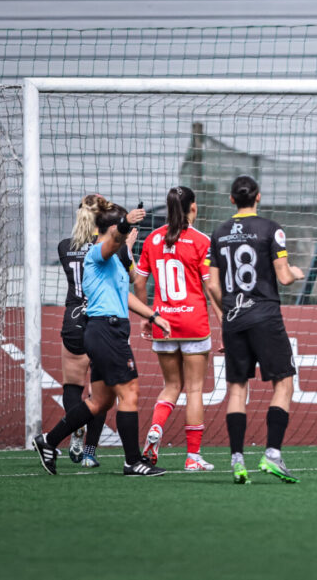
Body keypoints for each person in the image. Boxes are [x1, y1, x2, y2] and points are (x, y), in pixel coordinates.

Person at [33, 196, 171, 476]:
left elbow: (126, 296)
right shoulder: (97, 253)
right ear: (110, 230)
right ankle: (132, 461)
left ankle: (48, 440)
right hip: (105, 330)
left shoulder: (116, 261)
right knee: (129, 392)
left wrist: (153, 315)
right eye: (118, 230)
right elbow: (113, 241)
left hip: (110, 331)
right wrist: (126, 223)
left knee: (100, 401)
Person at [206, 175, 304, 483]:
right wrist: (297, 273)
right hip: (264, 316)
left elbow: (211, 284)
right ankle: (272, 454)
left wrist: (228, 315)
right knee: (284, 383)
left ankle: (237, 461)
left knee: (237, 389)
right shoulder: (270, 229)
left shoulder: (219, 233)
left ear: (232, 199)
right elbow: (284, 277)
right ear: (258, 197)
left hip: (233, 320)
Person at [133, 186, 222, 471]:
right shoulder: (201, 241)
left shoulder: (152, 239)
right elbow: (211, 287)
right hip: (194, 323)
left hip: (164, 322)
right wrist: (225, 323)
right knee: (194, 390)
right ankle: (193, 457)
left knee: (171, 386)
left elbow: (138, 282)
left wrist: (148, 316)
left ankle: (156, 429)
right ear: (193, 208)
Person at [56, 194, 138, 468]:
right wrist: (127, 245)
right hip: (100, 315)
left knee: (72, 384)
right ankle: (90, 452)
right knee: (101, 390)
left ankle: (71, 432)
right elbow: (132, 276)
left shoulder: (64, 246)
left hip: (73, 316)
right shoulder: (107, 247)